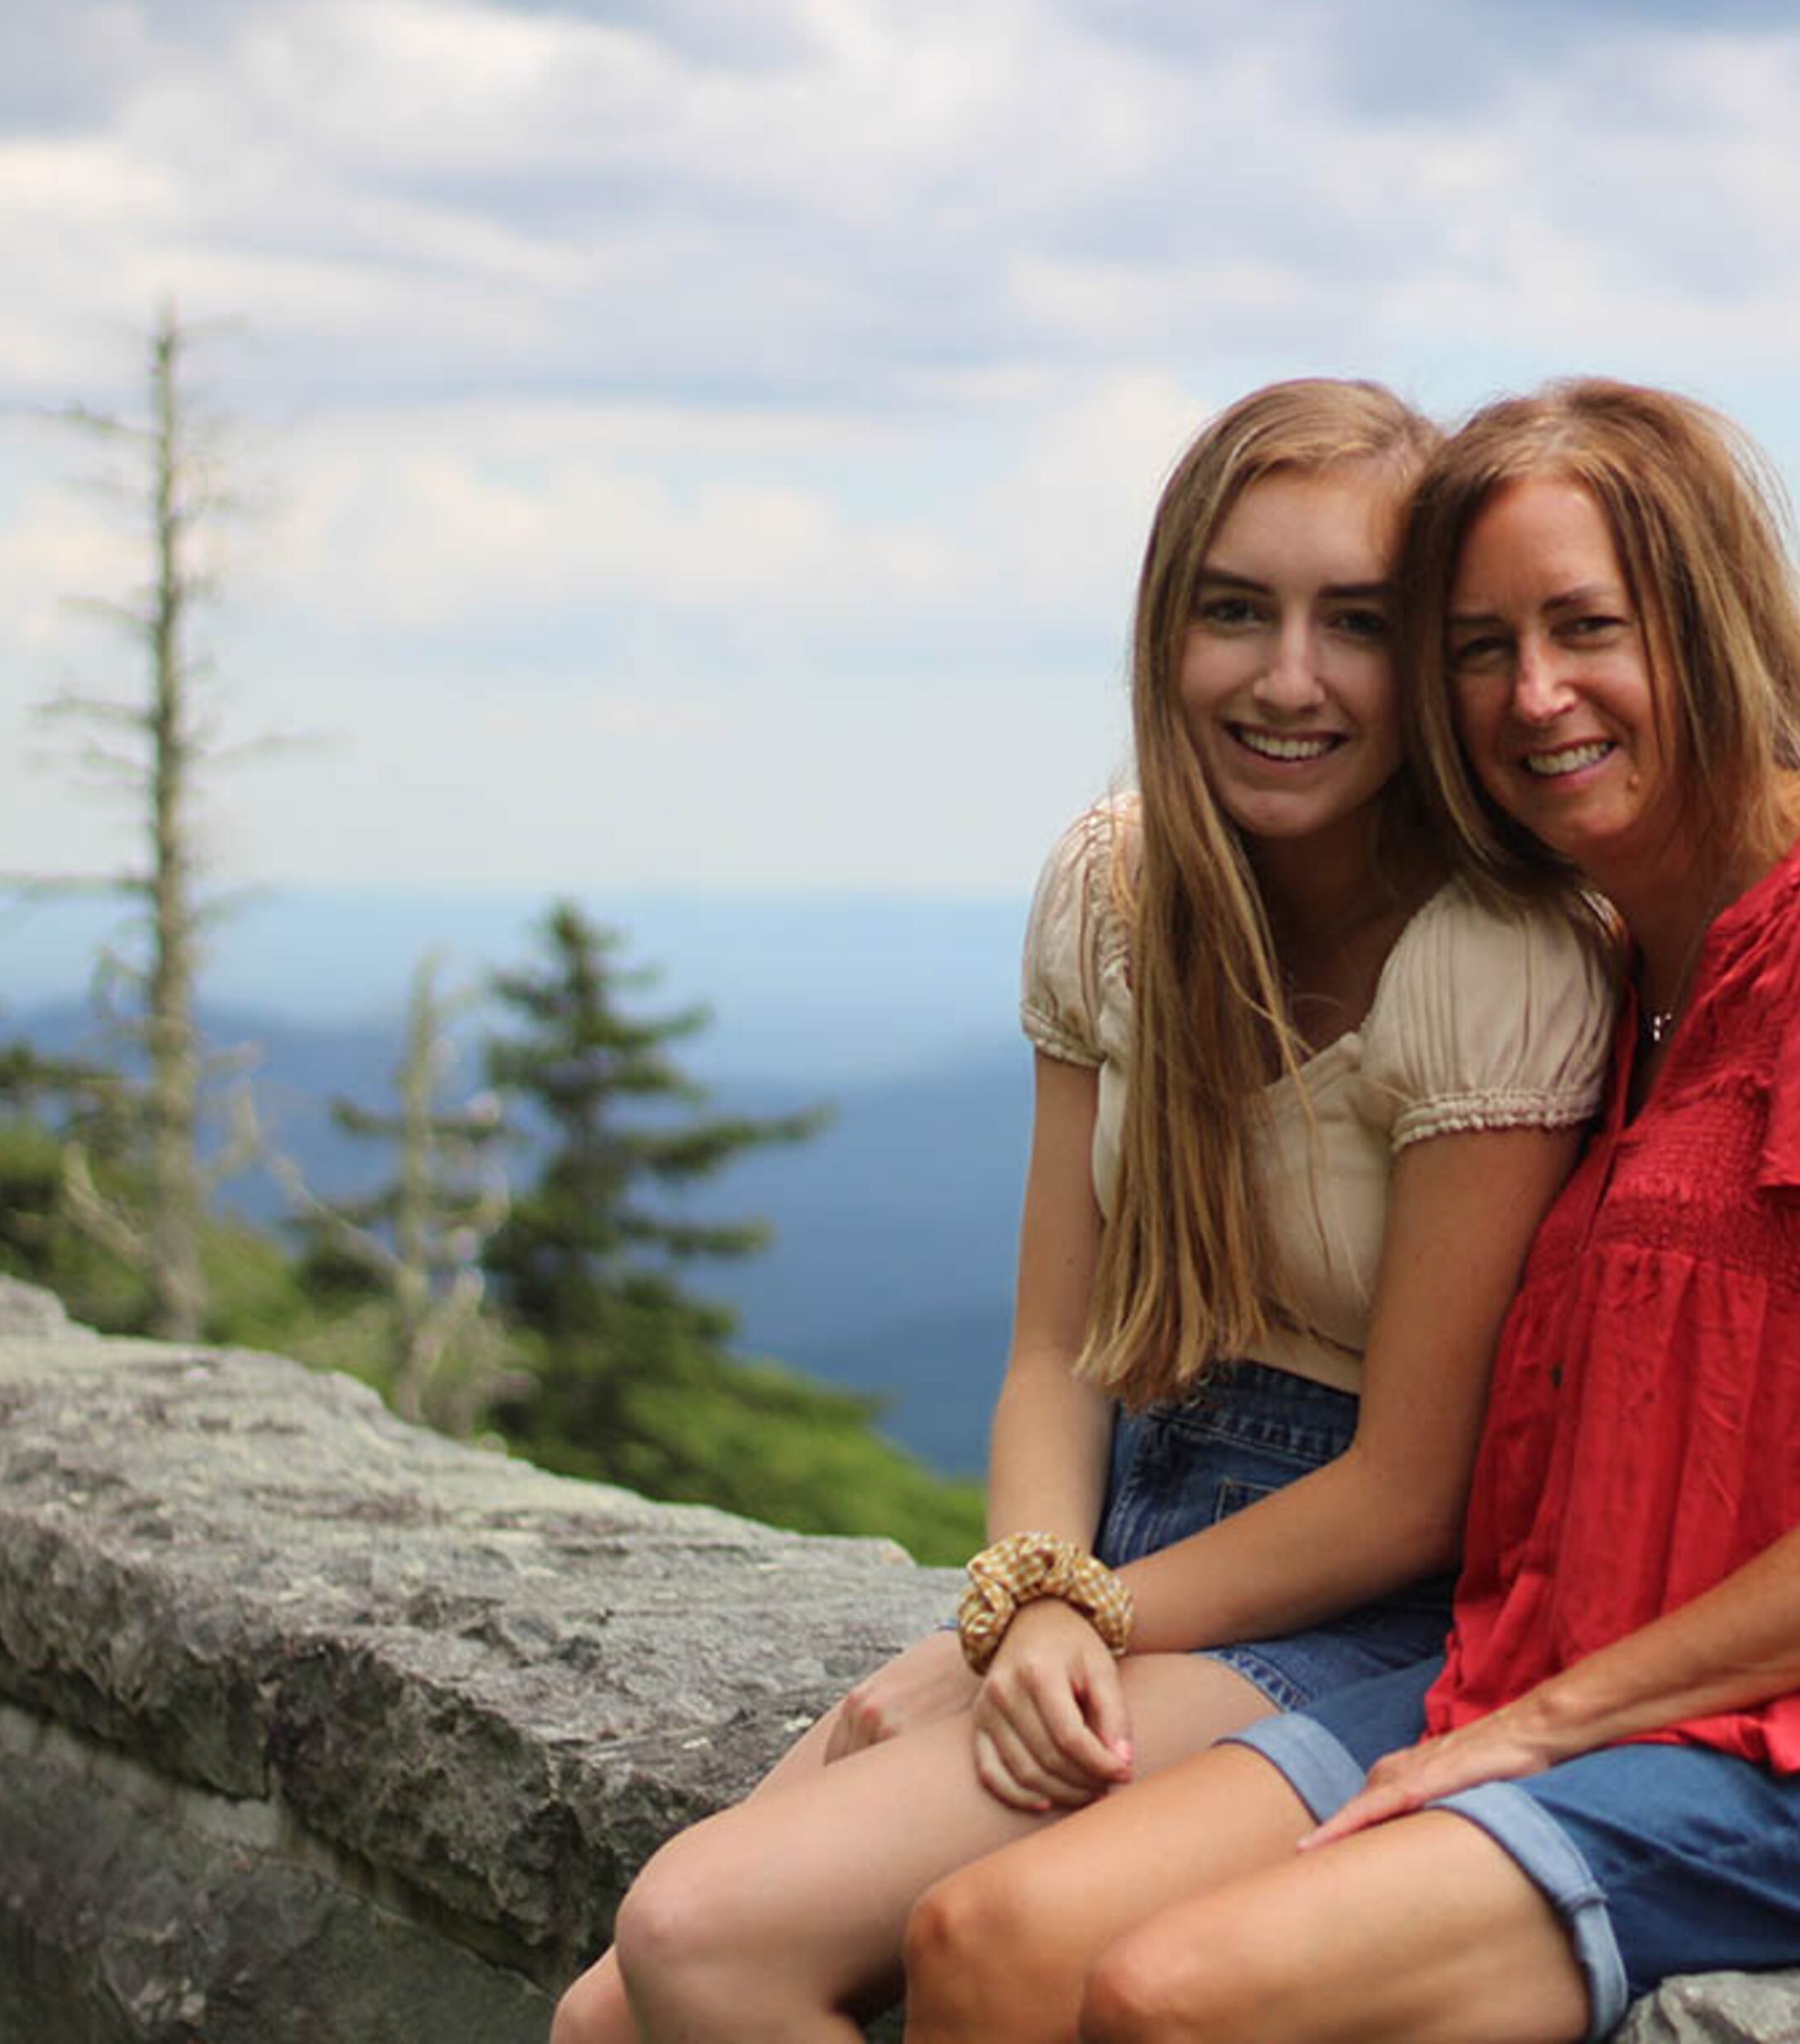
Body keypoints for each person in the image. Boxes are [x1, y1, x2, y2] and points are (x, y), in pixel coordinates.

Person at [895, 379, 1800, 2044]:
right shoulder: (1613, 959)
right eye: (1480, 646)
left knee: (1173, 1993)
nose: (1533, 692)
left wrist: (1554, 1717)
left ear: (1712, 630)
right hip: (1587, 1696)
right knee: (1008, 1946)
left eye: (1587, 627)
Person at [550, 379, 1612, 2043]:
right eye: (1235, 611)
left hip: (1358, 1602)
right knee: (605, 2018)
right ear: (1164, 630)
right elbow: (1058, 1341)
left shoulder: (1493, 956)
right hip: (1137, 1522)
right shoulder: (1119, 896)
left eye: (1356, 624)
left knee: (701, 1931)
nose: (1287, 677)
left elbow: (1416, 1488)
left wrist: (1066, 1614)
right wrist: (1028, 1584)